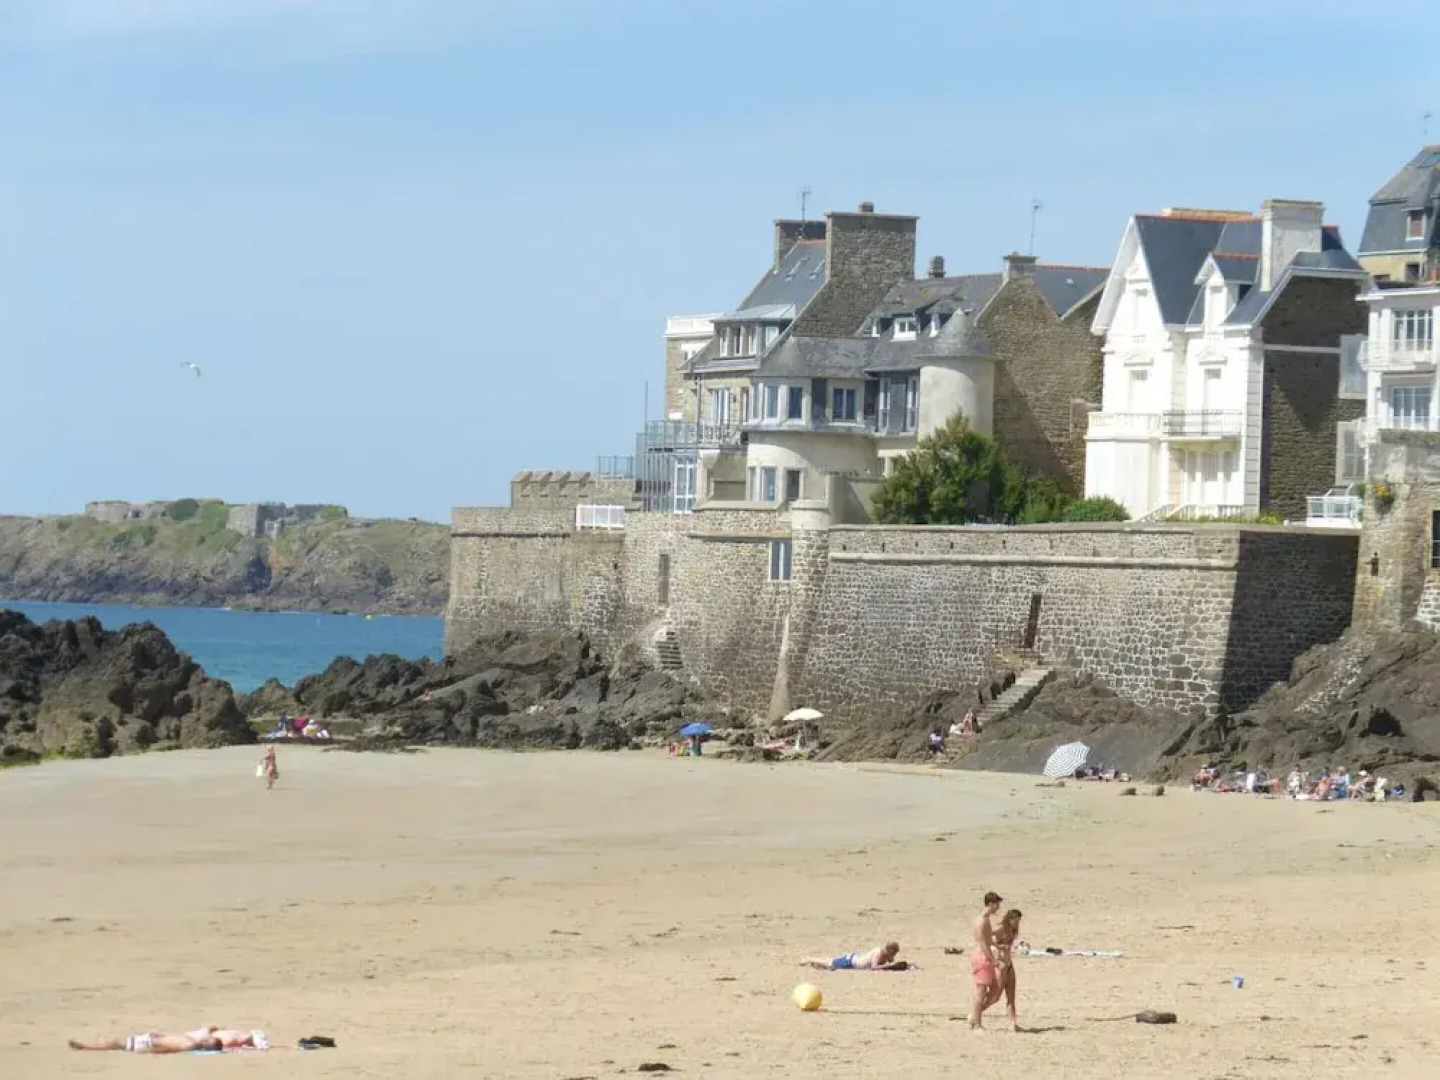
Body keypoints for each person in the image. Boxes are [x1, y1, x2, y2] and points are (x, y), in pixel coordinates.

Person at [969, 891, 1004, 1030]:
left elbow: (988, 940)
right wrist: (993, 960)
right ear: (991, 903)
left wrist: (997, 945)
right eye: (997, 905)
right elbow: (982, 943)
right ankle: (977, 1024)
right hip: (982, 957)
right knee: (981, 991)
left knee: (995, 990)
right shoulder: (981, 920)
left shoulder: (987, 919)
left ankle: (974, 1016)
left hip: (987, 955)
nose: (998, 908)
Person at [994, 908, 1023, 1031]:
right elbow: (986, 938)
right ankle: (975, 1014)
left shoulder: (1013, 930)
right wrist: (998, 946)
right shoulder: (1000, 928)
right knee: (995, 996)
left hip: (1009, 964)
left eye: (1018, 921)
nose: (1017, 923)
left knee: (1011, 996)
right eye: (1015, 920)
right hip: (1000, 964)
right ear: (1009, 919)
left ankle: (1013, 1023)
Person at [68, 1031, 224, 1054]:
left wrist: (152, 1045)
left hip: (147, 1043)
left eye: (210, 1041)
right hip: (150, 1039)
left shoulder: (189, 1045)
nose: (208, 1038)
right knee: (116, 1043)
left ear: (208, 1045)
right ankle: (86, 1046)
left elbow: (167, 1048)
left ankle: (85, 1047)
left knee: (115, 1043)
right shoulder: (192, 1040)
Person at [802, 942, 906, 971]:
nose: (895, 955)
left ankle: (813, 960)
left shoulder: (887, 955)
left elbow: (890, 962)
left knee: (831, 961)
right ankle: (809, 959)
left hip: (854, 960)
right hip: (851, 962)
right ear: (889, 950)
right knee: (830, 965)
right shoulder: (878, 952)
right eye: (894, 952)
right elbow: (874, 967)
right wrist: (889, 966)